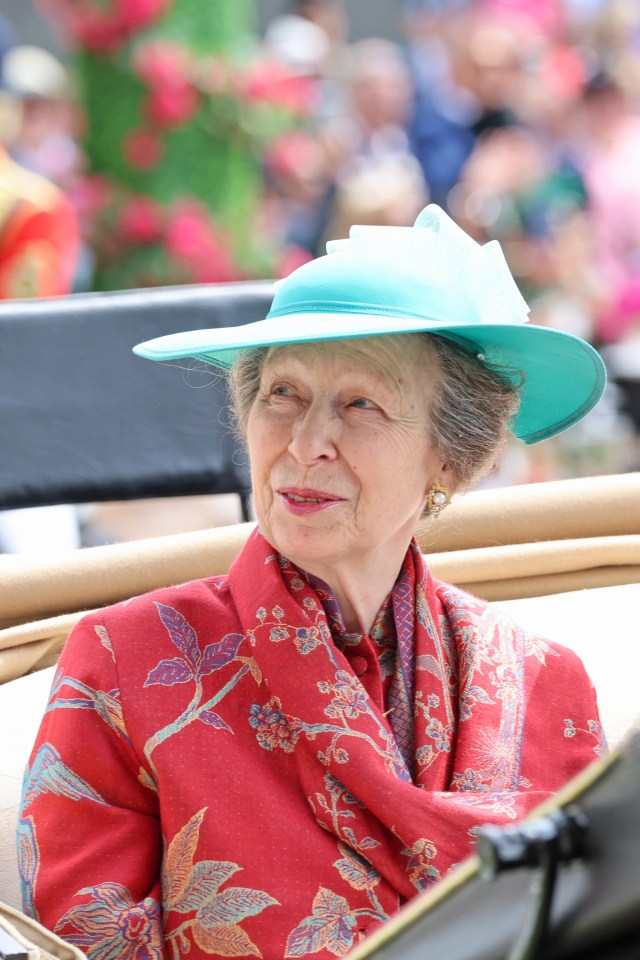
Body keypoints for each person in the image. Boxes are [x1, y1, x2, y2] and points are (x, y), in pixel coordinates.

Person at [19, 205, 607, 959]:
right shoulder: (123, 662)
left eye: (360, 403)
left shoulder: (544, 683)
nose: (305, 443)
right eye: (282, 395)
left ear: (449, 460)